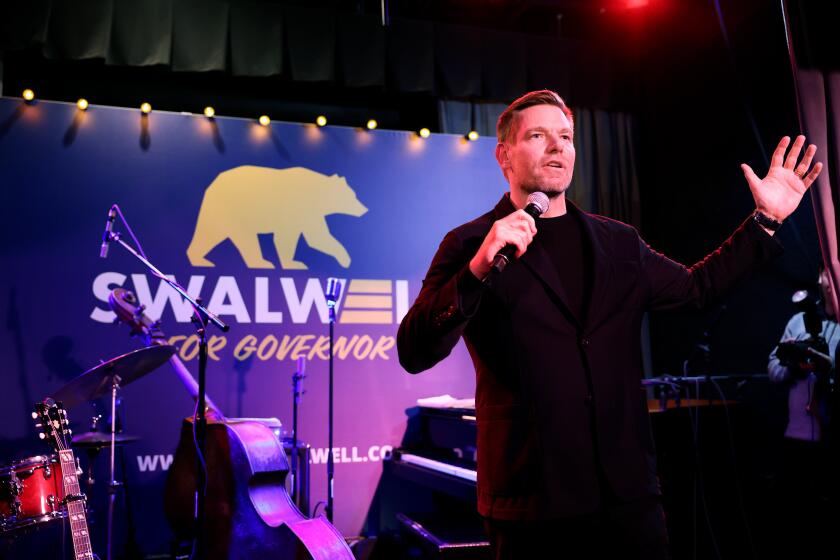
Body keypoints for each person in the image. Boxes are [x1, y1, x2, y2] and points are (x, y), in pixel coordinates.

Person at [397, 89, 822, 559]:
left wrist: (765, 220)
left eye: (566, 136)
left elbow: (698, 290)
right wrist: (477, 269)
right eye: (538, 136)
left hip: (628, 500)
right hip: (532, 504)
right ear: (504, 156)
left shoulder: (618, 242)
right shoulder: (470, 244)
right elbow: (415, 350)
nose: (558, 147)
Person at [767, 266, 839, 557]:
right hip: (795, 439)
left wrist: (827, 371)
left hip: (830, 440)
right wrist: (793, 366)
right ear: (822, 278)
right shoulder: (798, 322)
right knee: (794, 522)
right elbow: (772, 369)